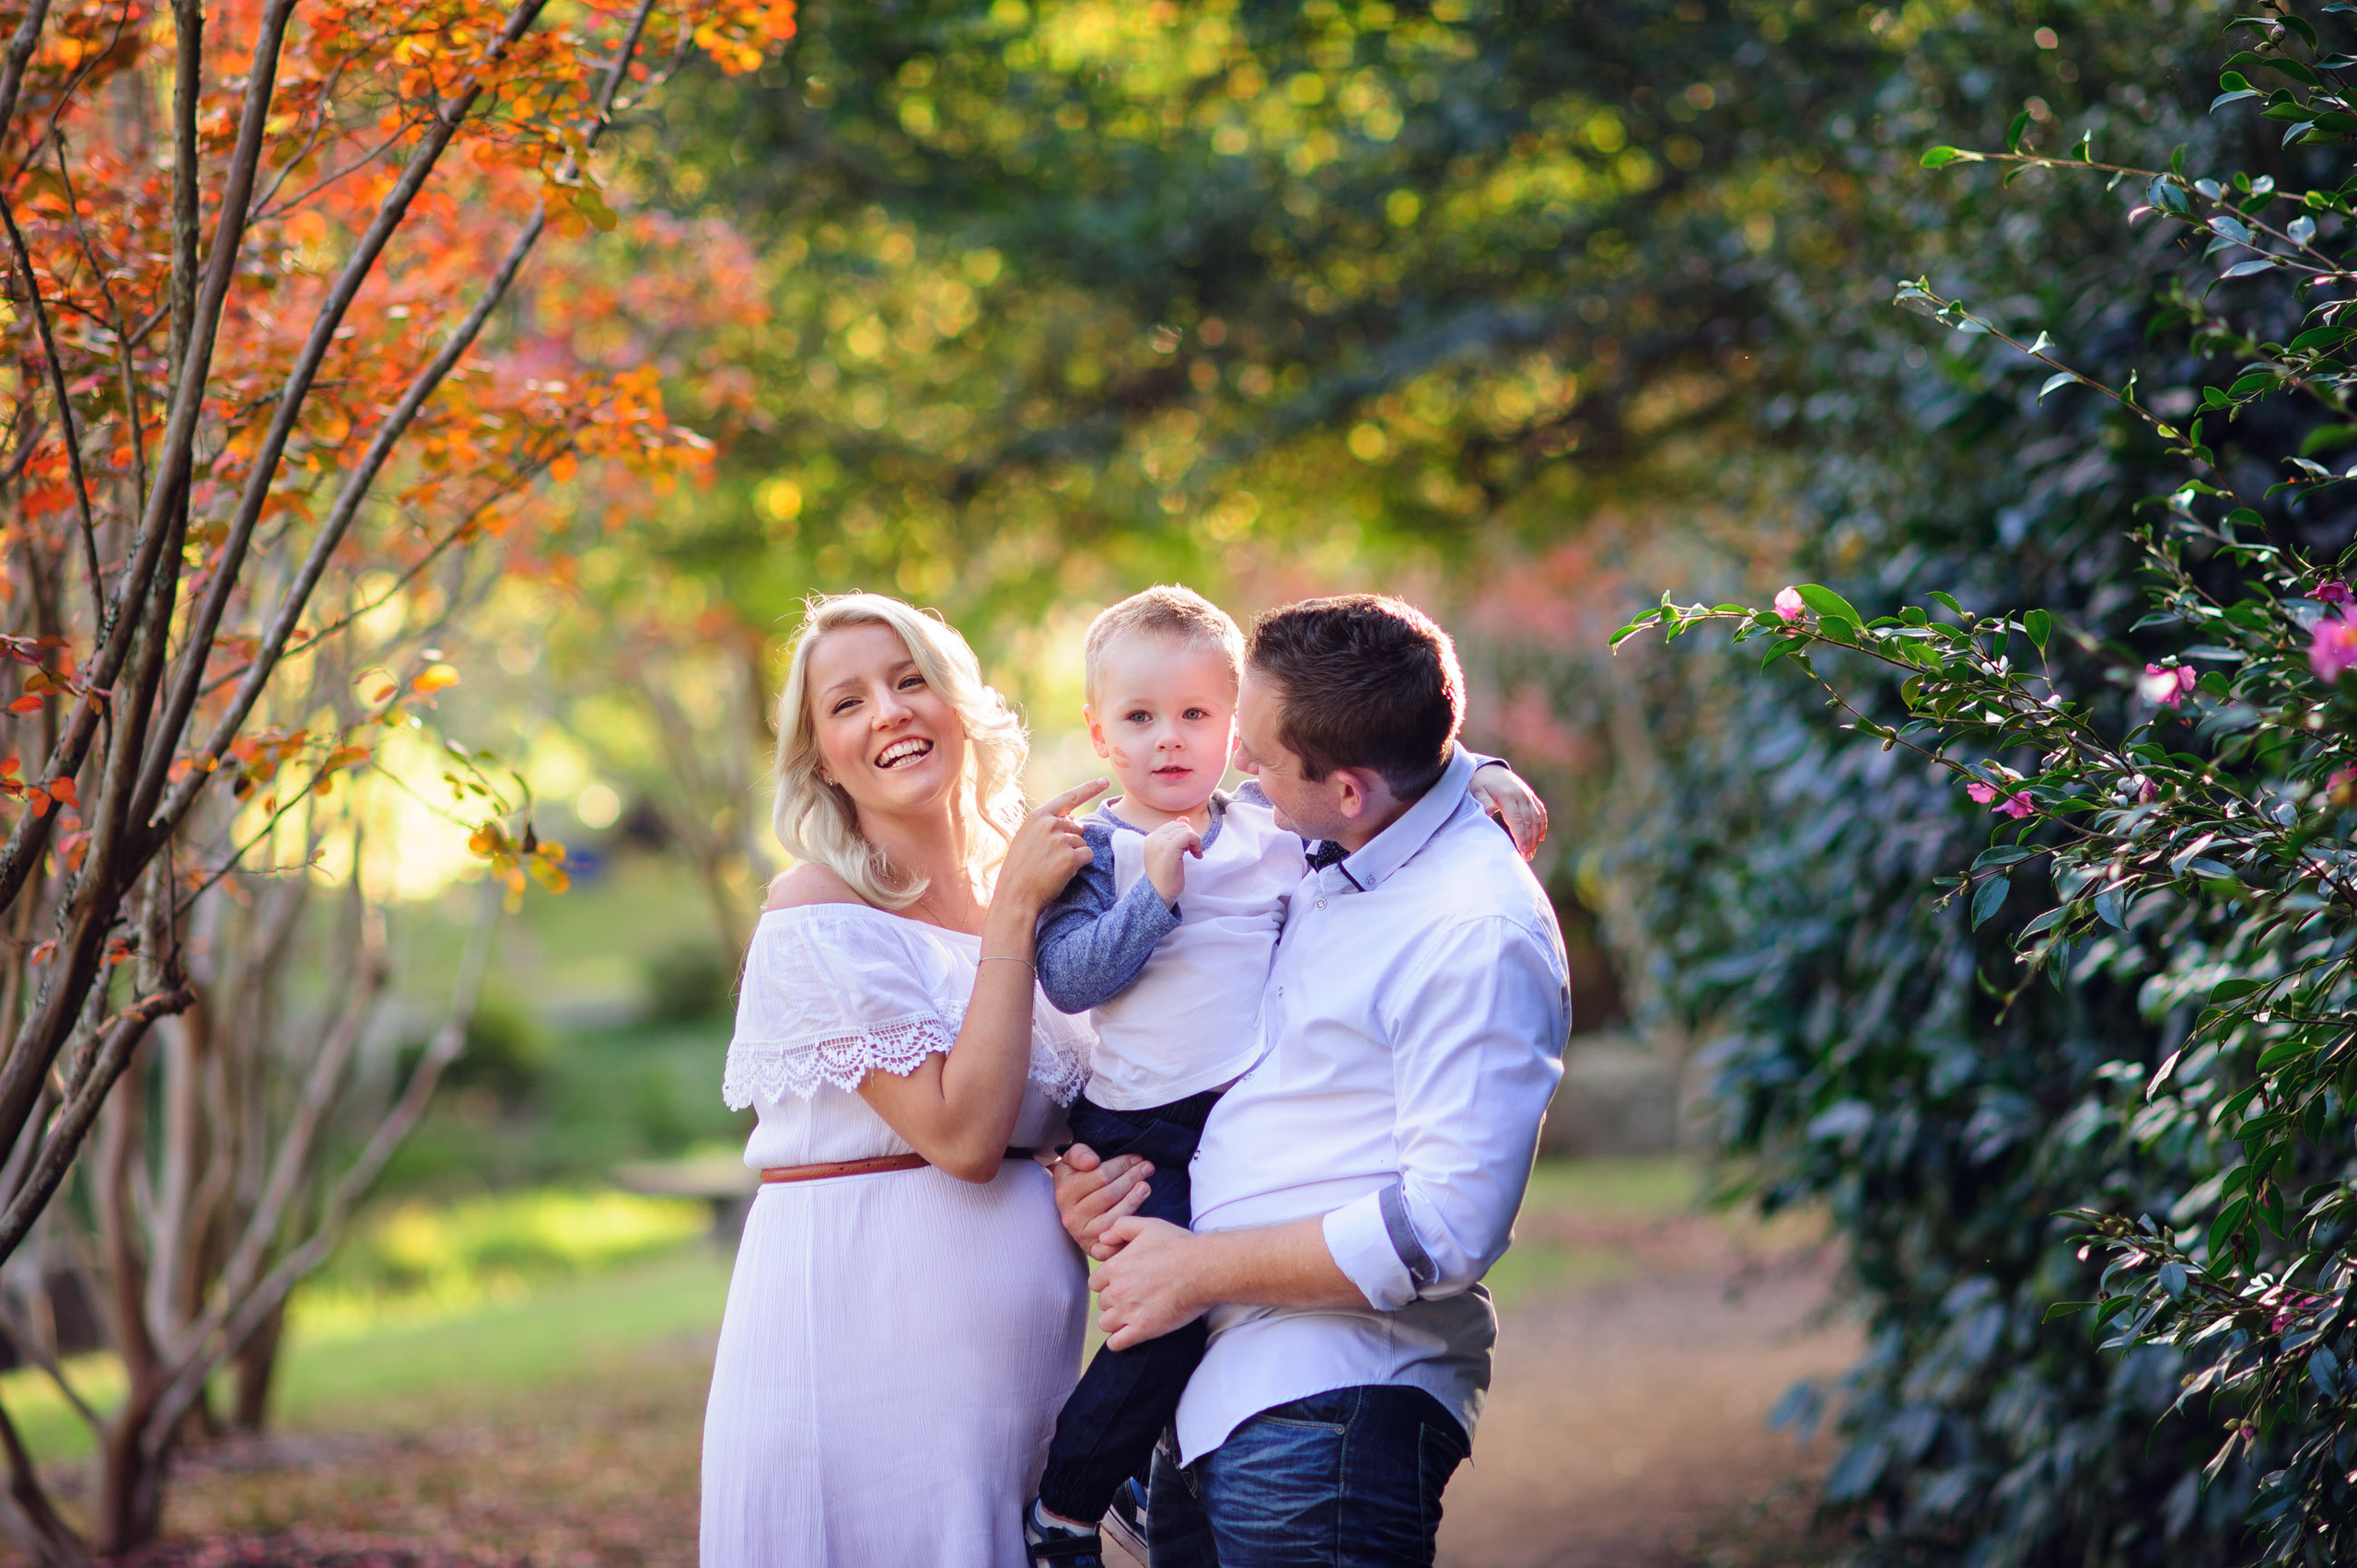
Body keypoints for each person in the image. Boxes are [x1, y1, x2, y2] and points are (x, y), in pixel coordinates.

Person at [1020, 587, 1544, 1567]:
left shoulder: (1471, 925)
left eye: (1248, 748)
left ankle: (1070, 1501)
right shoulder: (1333, 848)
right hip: (1221, 1391)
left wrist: (1196, 1266)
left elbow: (1446, 1226)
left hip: (1327, 1409)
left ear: (1344, 786)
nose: (1239, 773)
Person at [699, 592, 1108, 1568]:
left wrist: (1463, 778)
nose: (886, 711)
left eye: (909, 678)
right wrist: (1012, 913)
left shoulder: (1053, 883)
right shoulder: (817, 911)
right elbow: (961, 1137)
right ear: (821, 757)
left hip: (1016, 1389)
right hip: (857, 1372)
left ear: (958, 702)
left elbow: (1230, 793)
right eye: (845, 703)